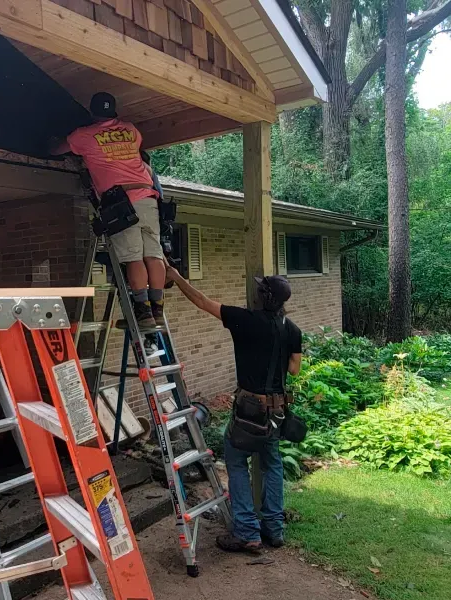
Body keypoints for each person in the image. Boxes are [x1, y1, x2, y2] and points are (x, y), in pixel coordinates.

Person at [165, 265, 302, 553]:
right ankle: (274, 530)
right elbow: (295, 369)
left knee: (237, 461)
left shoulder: (245, 320)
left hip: (248, 410)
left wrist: (176, 278)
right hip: (276, 412)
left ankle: (247, 532)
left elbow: (202, 301)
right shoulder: (292, 330)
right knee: (272, 464)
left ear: (264, 297)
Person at [52, 92, 165, 328]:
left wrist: (47, 143)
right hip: (147, 196)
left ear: (93, 113)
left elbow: (58, 149)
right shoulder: (130, 130)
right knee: (153, 255)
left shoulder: (84, 135)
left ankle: (143, 313)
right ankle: (157, 311)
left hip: (120, 200)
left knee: (133, 257)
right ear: (114, 112)